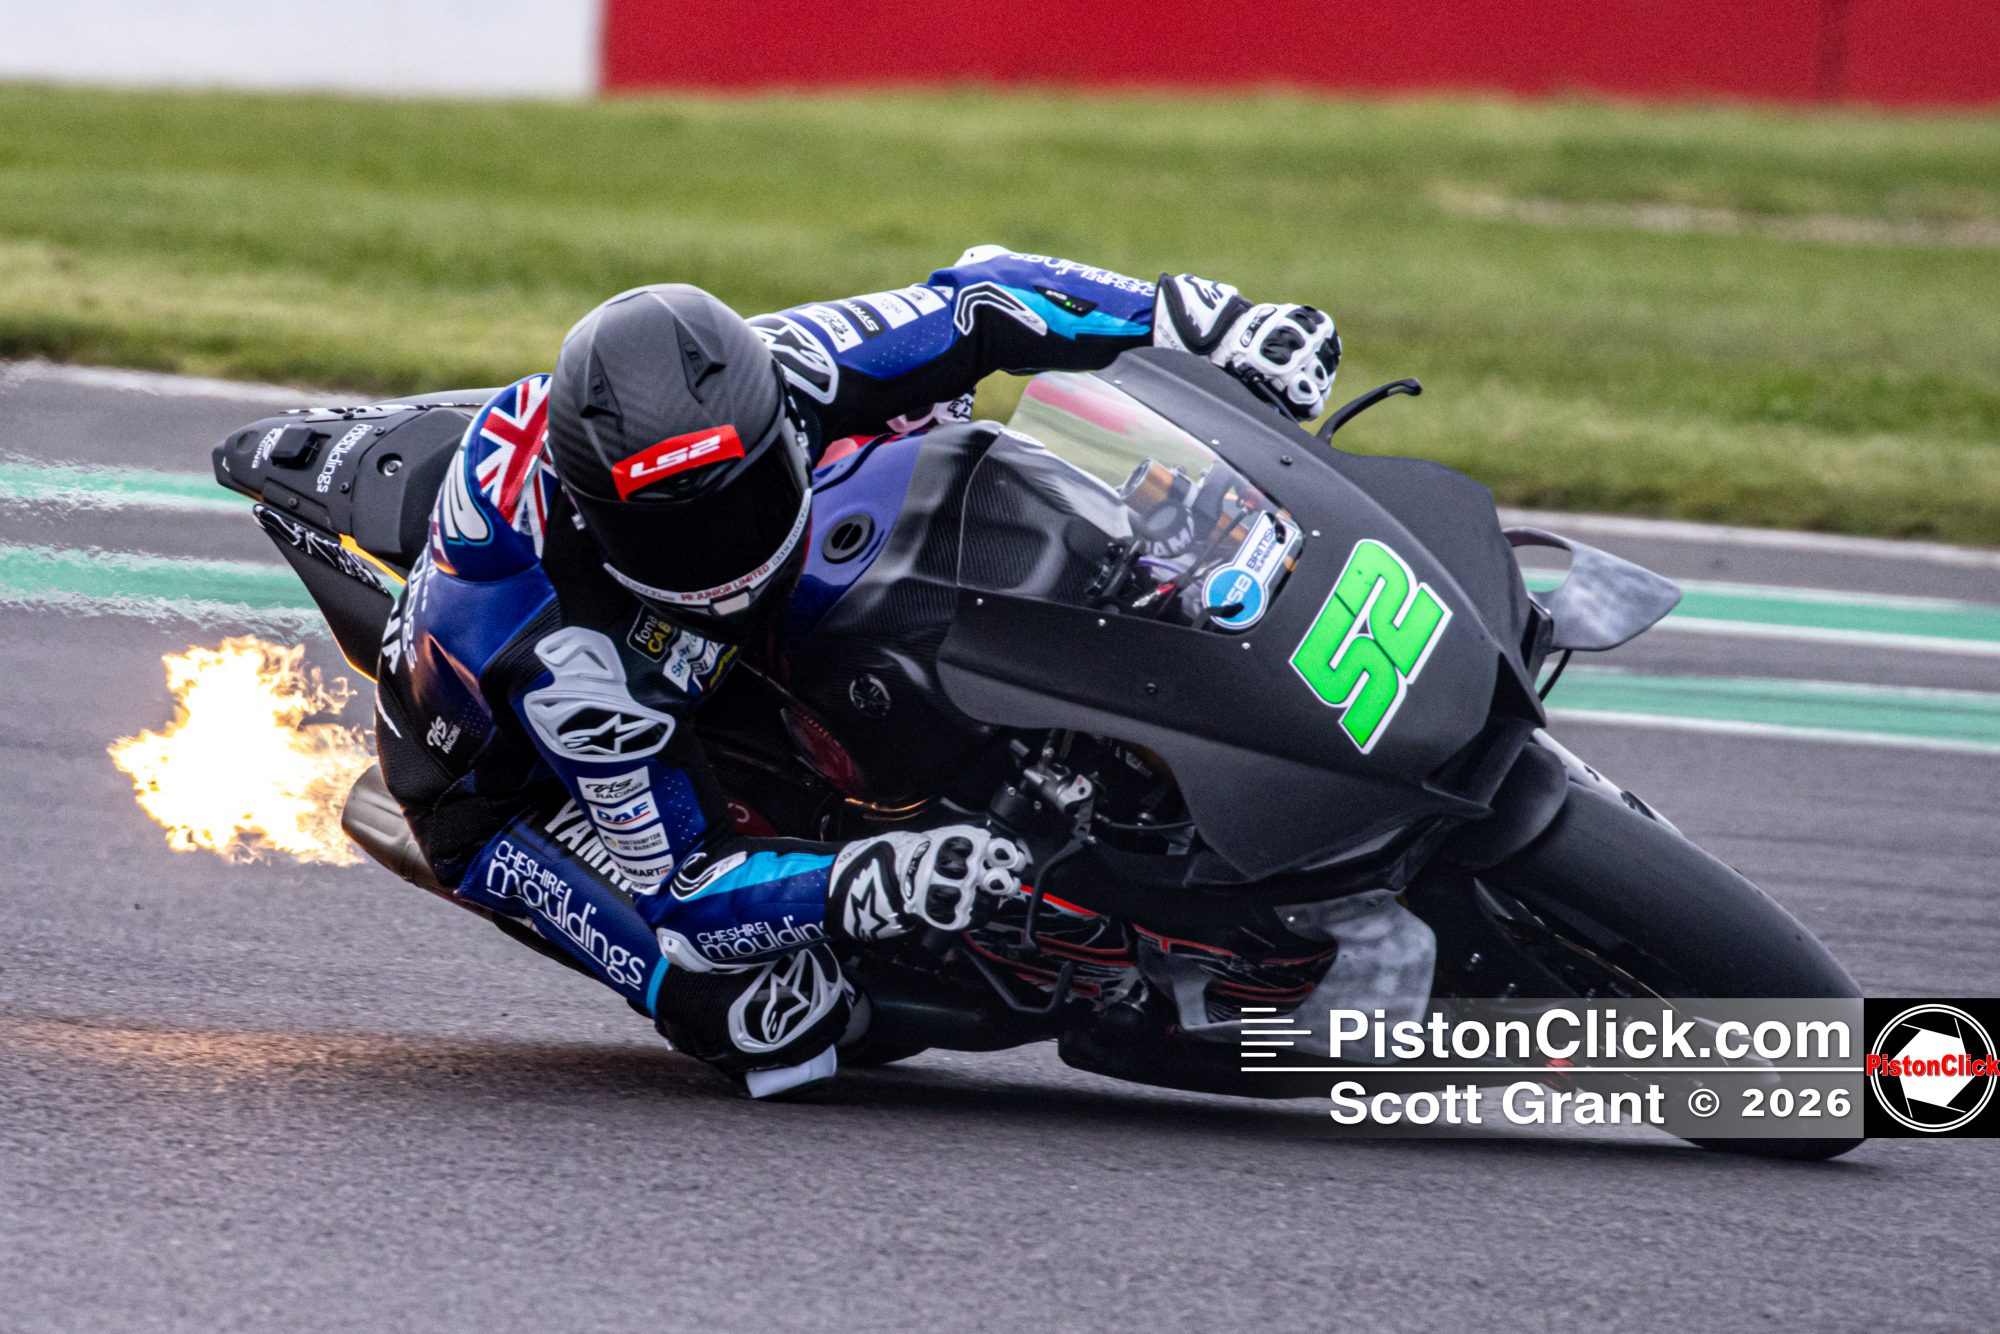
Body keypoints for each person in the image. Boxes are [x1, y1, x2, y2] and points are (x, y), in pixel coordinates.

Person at [373, 245, 1342, 1096]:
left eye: (743, 498)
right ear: (599, 522)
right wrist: (861, 878)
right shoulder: (573, 664)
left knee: (935, 442)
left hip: (688, 642)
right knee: (763, 1014)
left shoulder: (783, 369)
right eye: (680, 531)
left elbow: (985, 297)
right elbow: (689, 893)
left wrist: (1207, 320)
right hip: (503, 786)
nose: (721, 547)